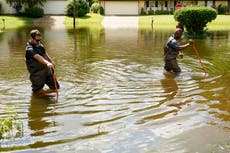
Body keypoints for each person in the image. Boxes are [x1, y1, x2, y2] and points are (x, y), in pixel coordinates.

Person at [25, 29, 60, 96]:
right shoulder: (29, 49)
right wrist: (47, 63)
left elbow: (44, 53)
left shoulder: (40, 44)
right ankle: (40, 96)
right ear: (31, 38)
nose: (39, 42)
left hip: (47, 71)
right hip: (38, 75)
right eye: (37, 40)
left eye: (40, 40)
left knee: (56, 88)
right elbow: (38, 57)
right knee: (37, 92)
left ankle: (44, 95)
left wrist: (51, 61)